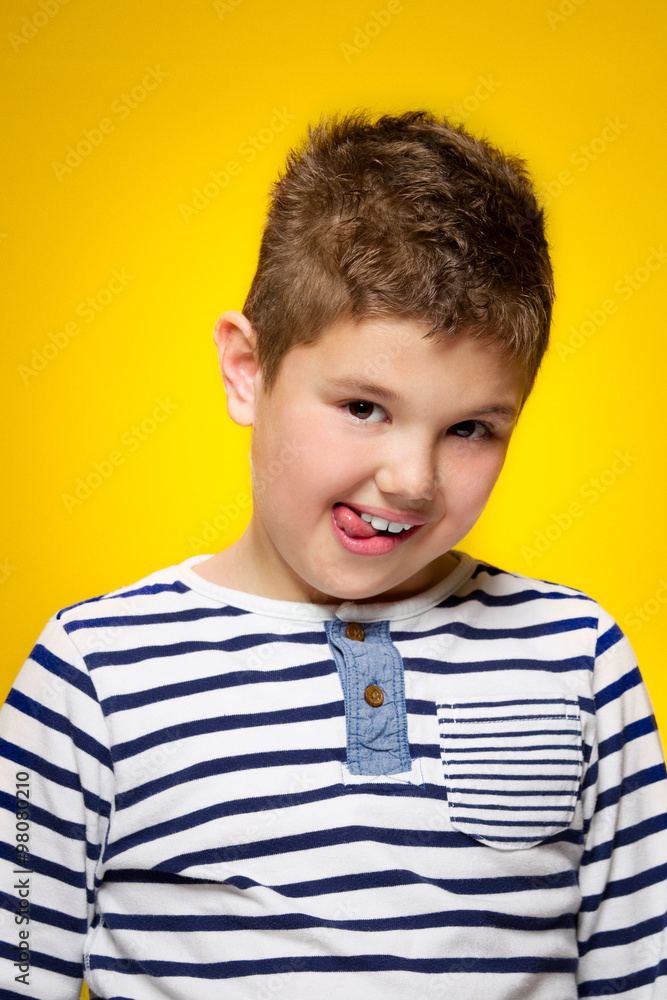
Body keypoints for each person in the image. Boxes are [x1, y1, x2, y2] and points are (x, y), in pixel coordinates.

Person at [1, 110, 665, 1000]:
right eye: (362, 407)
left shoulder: (576, 655)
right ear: (247, 369)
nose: (411, 481)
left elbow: (638, 973)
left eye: (470, 428)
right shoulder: (92, 674)